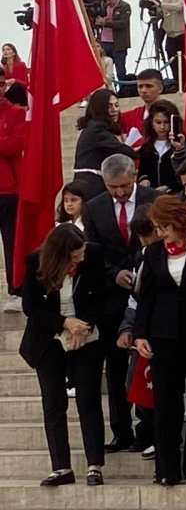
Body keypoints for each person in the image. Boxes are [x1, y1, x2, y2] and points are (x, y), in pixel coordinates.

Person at [80, 154, 160, 453]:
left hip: (150, 293)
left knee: (148, 363)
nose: (120, 192)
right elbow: (91, 251)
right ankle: (121, 429)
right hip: (112, 298)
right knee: (114, 368)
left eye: (125, 185)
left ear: (134, 175)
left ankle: (150, 428)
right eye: (113, 187)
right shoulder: (94, 207)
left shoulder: (153, 199)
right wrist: (115, 274)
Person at [20, 224, 110, 486]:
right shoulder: (35, 261)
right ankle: (61, 467)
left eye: (81, 253)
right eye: (74, 256)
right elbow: (31, 306)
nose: (80, 259)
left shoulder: (93, 254)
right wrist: (63, 323)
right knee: (53, 402)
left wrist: (84, 324)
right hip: (48, 338)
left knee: (88, 398)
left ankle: (94, 465)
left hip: (85, 336)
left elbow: (101, 296)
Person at [133, 195, 186, 485]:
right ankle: (166, 470)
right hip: (161, 335)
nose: (159, 232)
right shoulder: (153, 253)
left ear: (176, 221)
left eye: (163, 226)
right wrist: (140, 333)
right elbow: (146, 297)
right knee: (166, 403)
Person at [73, 89, 138, 198]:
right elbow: (122, 150)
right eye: (109, 106)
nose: (115, 110)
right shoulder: (98, 128)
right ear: (99, 108)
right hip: (92, 183)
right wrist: (141, 150)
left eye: (116, 105)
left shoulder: (93, 126)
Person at [0, 81, 26, 305]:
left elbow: (15, 145)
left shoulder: (16, 112)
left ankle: (16, 290)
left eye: (0, 84)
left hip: (8, 189)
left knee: (12, 243)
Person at [93, 0, 131, 82]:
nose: (108, 2)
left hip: (118, 44)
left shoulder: (124, 6)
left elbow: (123, 24)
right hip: (104, 43)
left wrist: (105, 23)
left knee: (120, 71)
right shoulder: (103, 6)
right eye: (105, 0)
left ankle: (123, 91)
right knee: (104, 68)